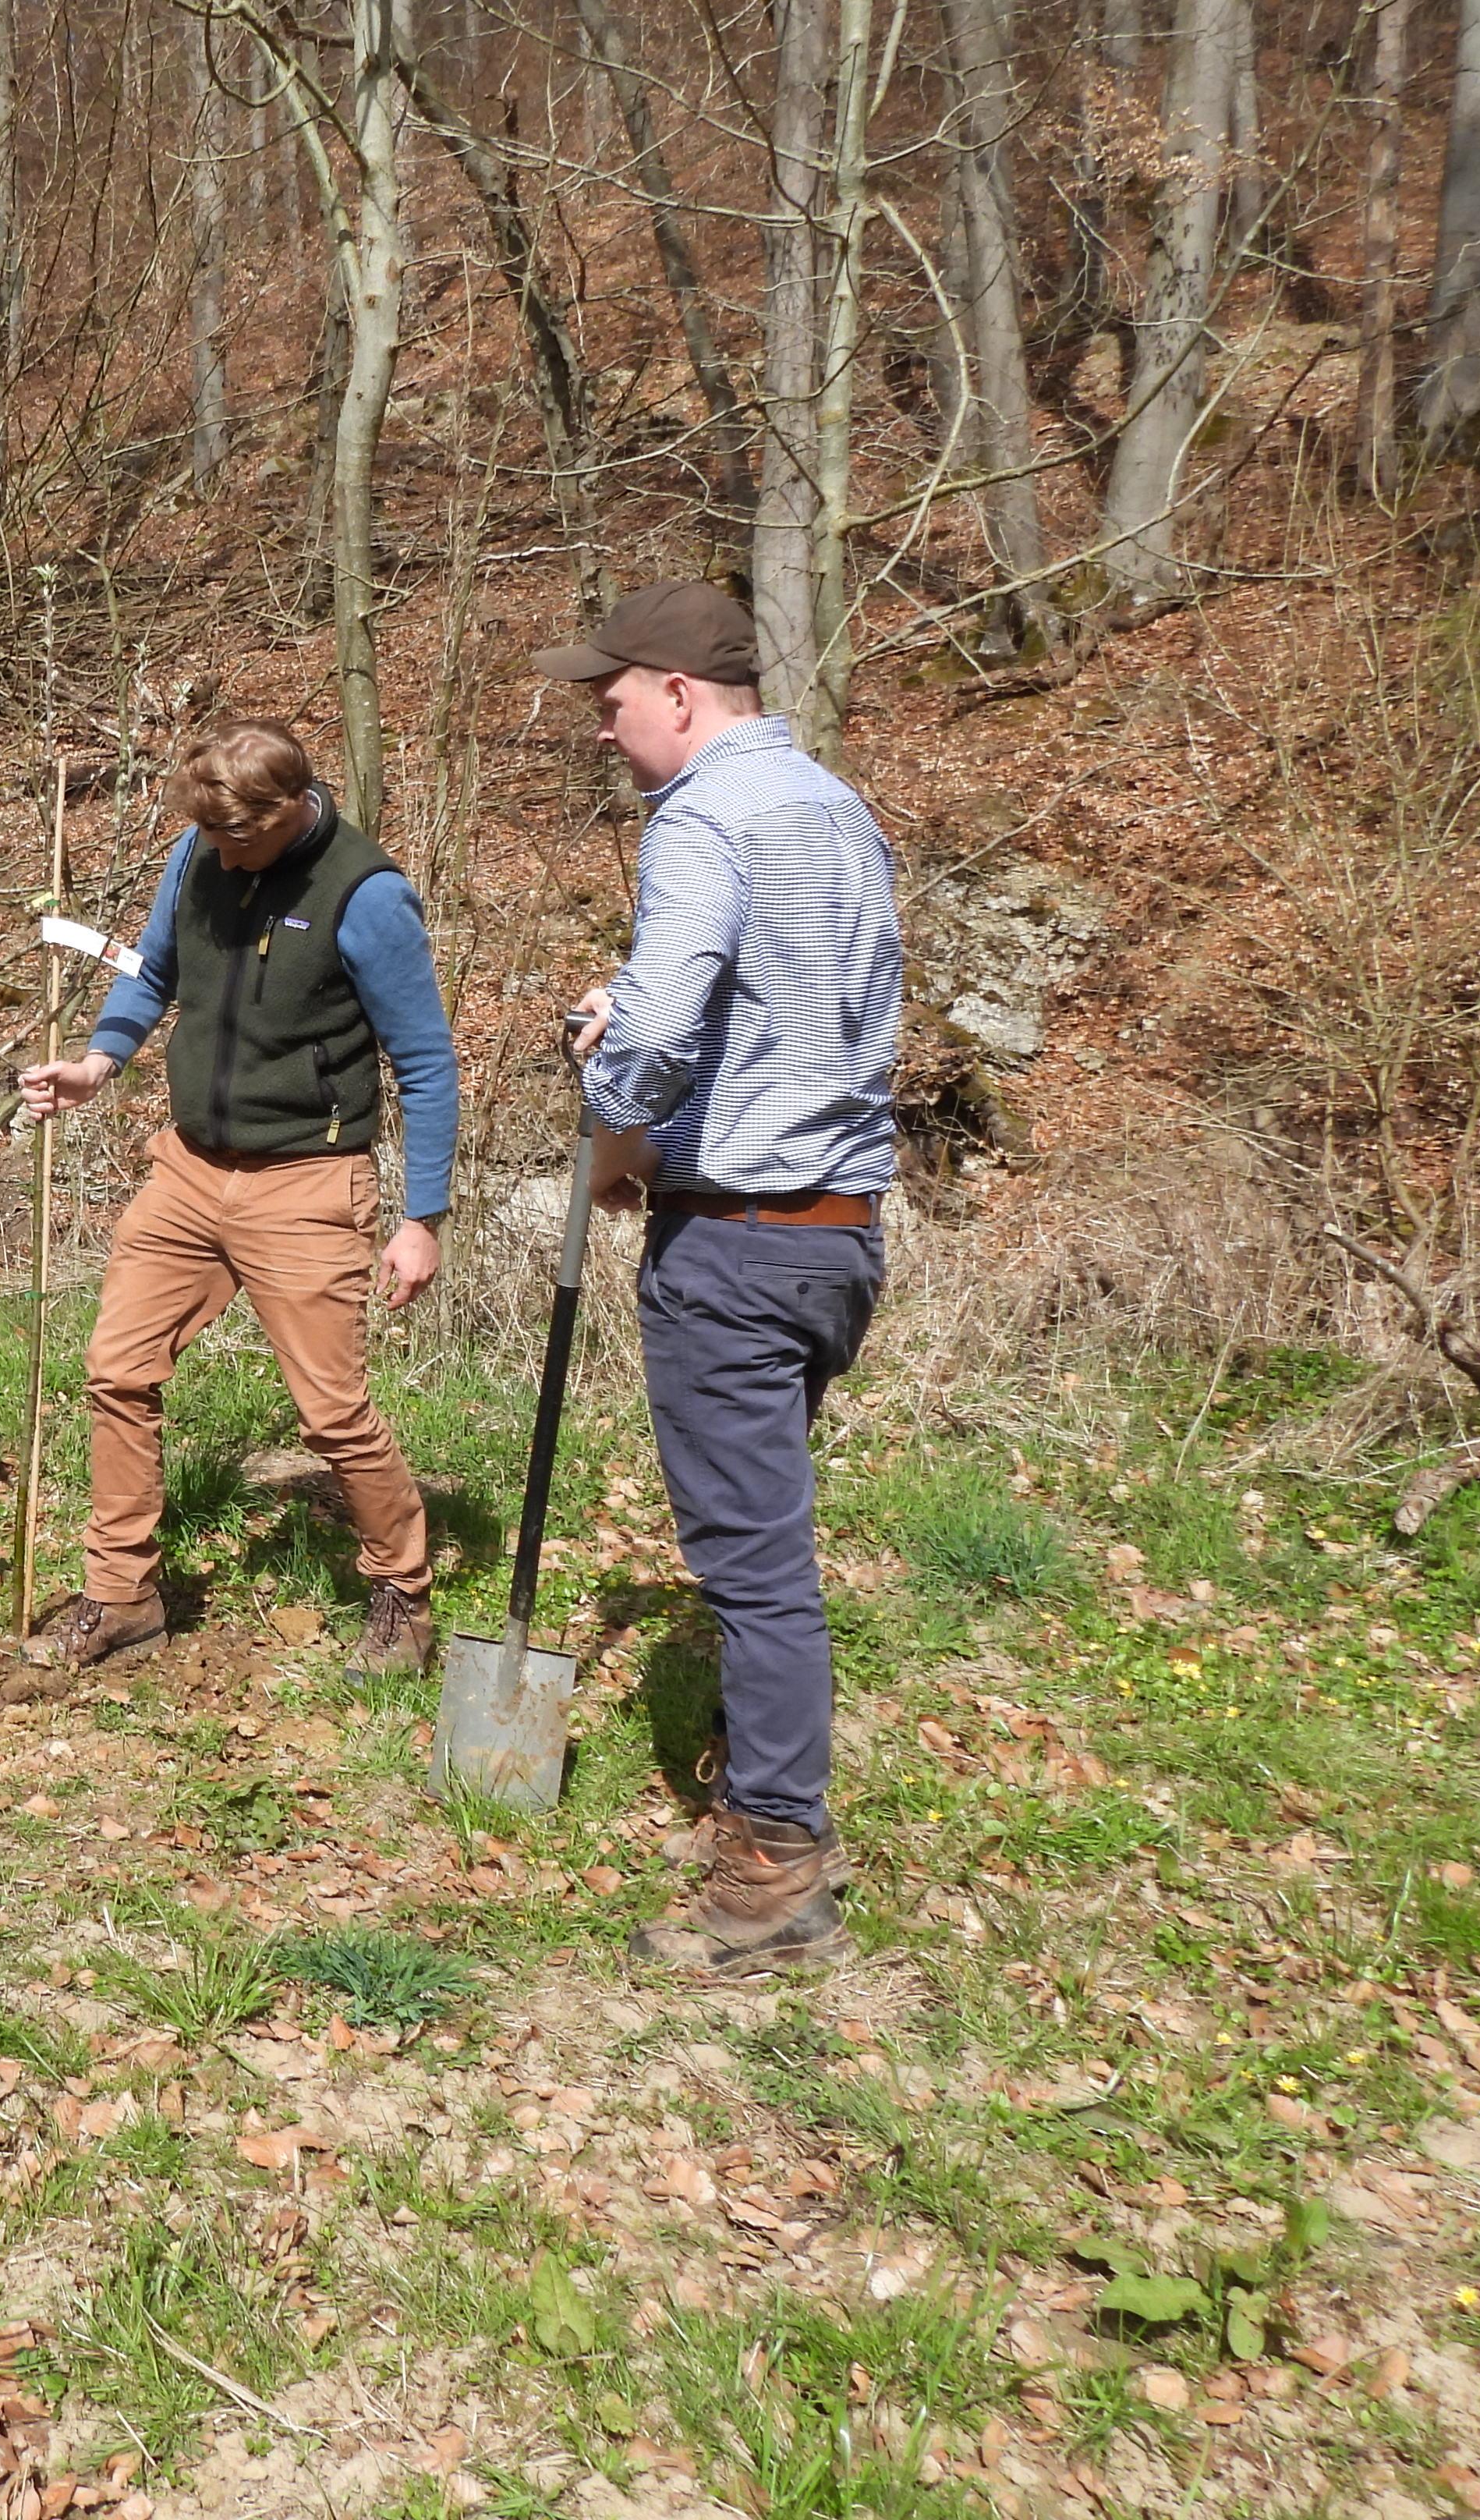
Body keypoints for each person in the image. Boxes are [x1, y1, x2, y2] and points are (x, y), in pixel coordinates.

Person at [533, 578, 901, 1979]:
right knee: (766, 1546)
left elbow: (660, 1033)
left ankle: (774, 1874)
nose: (603, 727)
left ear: (678, 695)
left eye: (612, 700)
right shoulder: (835, 809)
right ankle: (770, 1794)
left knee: (752, 1565)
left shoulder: (701, 818)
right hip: (834, 1236)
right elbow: (799, 1022)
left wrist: (611, 1097)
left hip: (738, 1249)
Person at [18, 719, 458, 1678]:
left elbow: (425, 1061)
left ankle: (402, 1594)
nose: (217, 853)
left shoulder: (365, 894)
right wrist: (99, 1062)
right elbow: (153, 970)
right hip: (188, 1168)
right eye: (207, 835)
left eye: (234, 838)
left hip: (308, 1179)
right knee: (117, 1370)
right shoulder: (197, 854)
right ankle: (123, 1595)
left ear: (288, 809)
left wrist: (422, 1218)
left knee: (331, 1412)